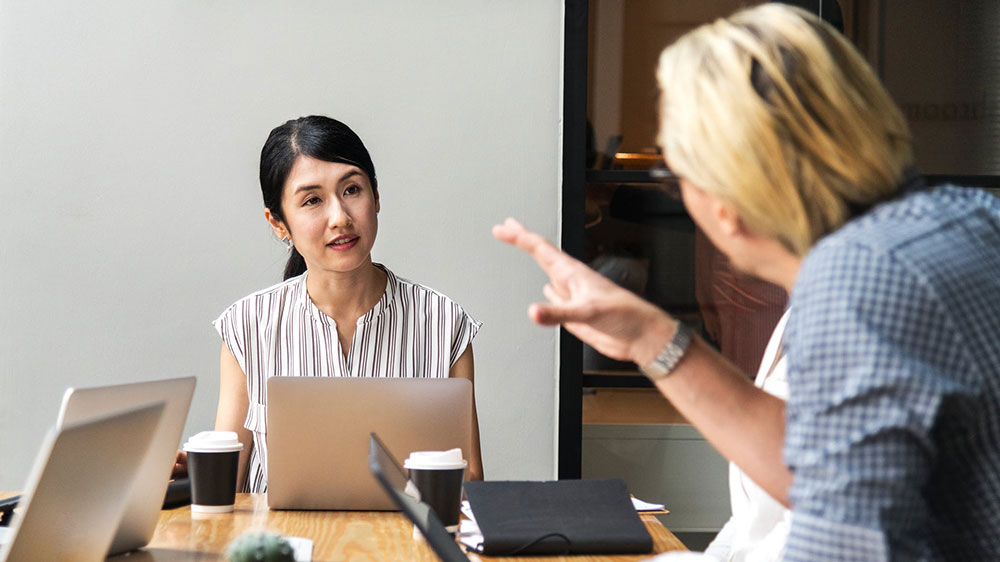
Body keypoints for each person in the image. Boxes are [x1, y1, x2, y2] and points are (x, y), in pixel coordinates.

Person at [494, 4, 1000, 561]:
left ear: (726, 199)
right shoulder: (970, 219)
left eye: (675, 173)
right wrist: (649, 336)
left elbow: (841, 549)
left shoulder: (856, 281)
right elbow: (824, 472)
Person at [178, 115, 483, 492]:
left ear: (376, 195)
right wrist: (191, 477)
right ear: (278, 223)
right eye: (312, 200)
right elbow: (228, 484)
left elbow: (469, 483)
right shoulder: (248, 324)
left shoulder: (443, 322)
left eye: (352, 190)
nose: (339, 217)